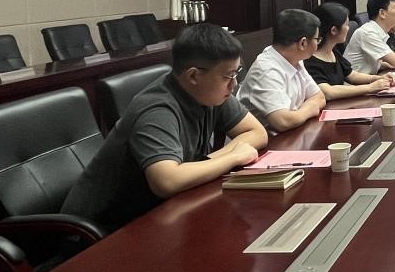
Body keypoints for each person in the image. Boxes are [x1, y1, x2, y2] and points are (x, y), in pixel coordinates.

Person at [61, 24, 267, 232]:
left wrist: (211, 159)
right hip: (99, 231)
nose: (234, 84)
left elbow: (257, 133)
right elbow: (167, 181)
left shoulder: (211, 93)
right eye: (228, 76)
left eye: (236, 73)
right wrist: (233, 156)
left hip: (158, 212)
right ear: (193, 76)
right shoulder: (157, 108)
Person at [237, 9, 326, 132]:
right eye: (317, 39)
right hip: (268, 140)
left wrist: (298, 114)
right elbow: (283, 122)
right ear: (303, 43)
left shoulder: (294, 58)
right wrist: (310, 109)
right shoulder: (266, 70)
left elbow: (319, 97)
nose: (318, 44)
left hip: (293, 132)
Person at [306, 2, 395, 99]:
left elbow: (352, 75)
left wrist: (379, 78)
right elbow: (328, 92)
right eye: (346, 24)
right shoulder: (309, 60)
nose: (348, 28)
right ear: (334, 30)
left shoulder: (333, 51)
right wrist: (370, 88)